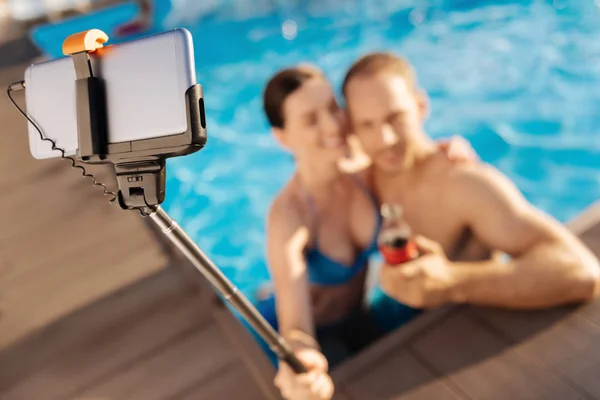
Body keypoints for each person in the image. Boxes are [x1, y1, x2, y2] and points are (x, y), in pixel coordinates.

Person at [259, 65, 476, 400]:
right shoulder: (289, 216)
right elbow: (296, 328)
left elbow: (408, 158)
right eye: (311, 119)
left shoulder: (363, 170)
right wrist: (302, 361)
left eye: (333, 108)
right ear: (283, 137)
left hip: (359, 315)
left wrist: (444, 152)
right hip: (309, 330)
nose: (333, 125)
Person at [341, 52, 600, 311]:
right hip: (386, 312)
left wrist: (452, 281)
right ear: (353, 129)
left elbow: (581, 272)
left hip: (457, 329)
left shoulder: (463, 183)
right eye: (367, 125)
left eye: (395, 118)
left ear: (420, 107)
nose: (385, 138)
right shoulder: (364, 178)